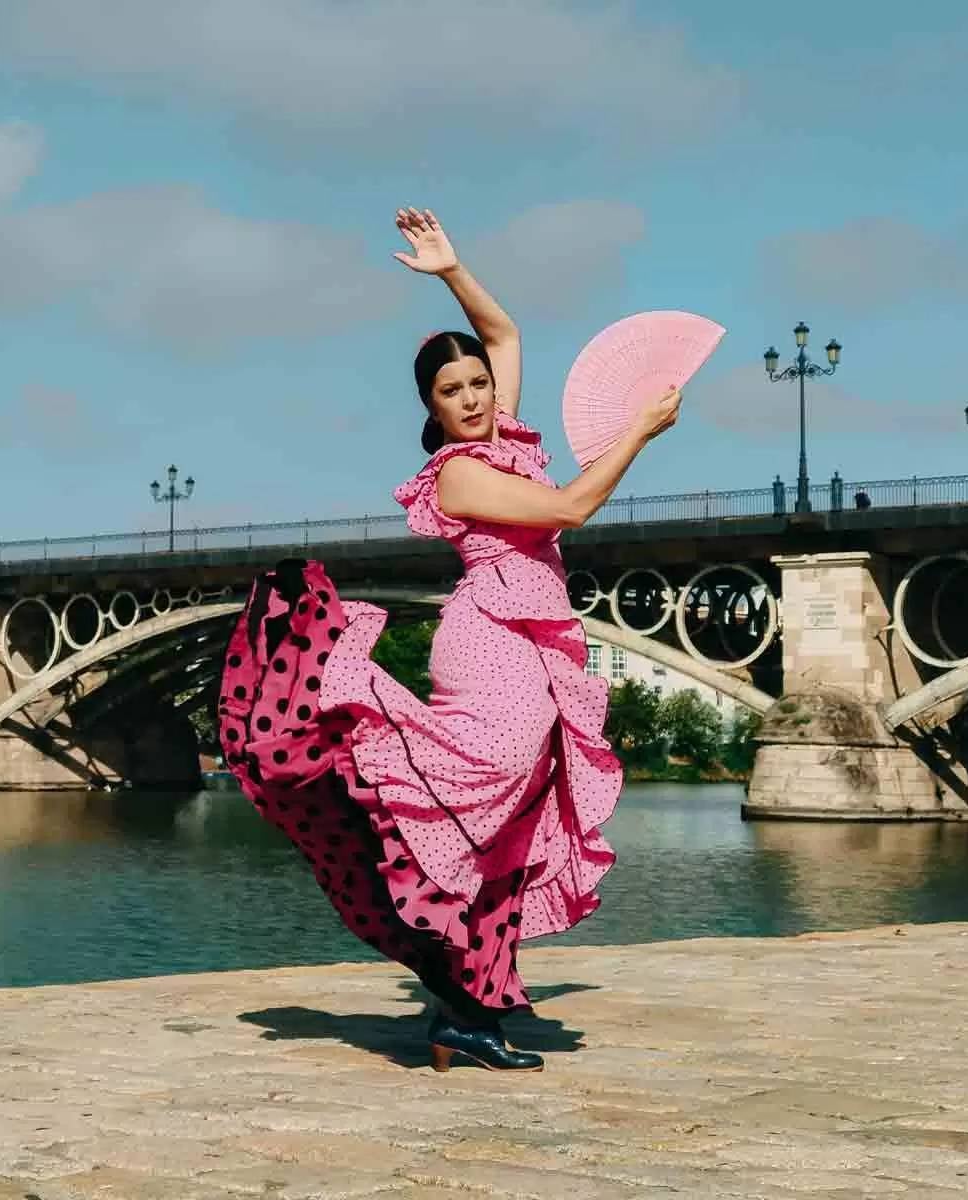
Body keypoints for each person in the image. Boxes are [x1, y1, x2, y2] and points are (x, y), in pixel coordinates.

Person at [219, 207, 682, 1074]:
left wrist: (450, 272)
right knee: (472, 813)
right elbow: (569, 508)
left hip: (537, 647)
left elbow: (500, 330)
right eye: (453, 392)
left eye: (478, 385)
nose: (472, 398)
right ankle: (456, 994)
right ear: (430, 410)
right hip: (494, 644)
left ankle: (463, 1008)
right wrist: (638, 434)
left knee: (504, 834)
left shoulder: (503, 435)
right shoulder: (463, 471)